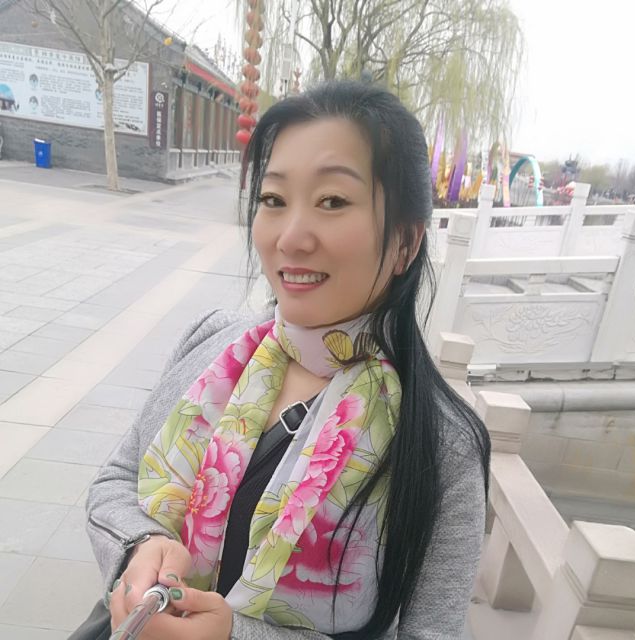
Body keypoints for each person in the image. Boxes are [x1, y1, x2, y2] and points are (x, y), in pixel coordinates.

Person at [72, 80, 490, 640]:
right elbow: (118, 479)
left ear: (405, 243)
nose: (290, 238)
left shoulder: (443, 446)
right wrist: (140, 545)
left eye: (333, 201)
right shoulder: (211, 343)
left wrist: (234, 636)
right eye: (273, 200)